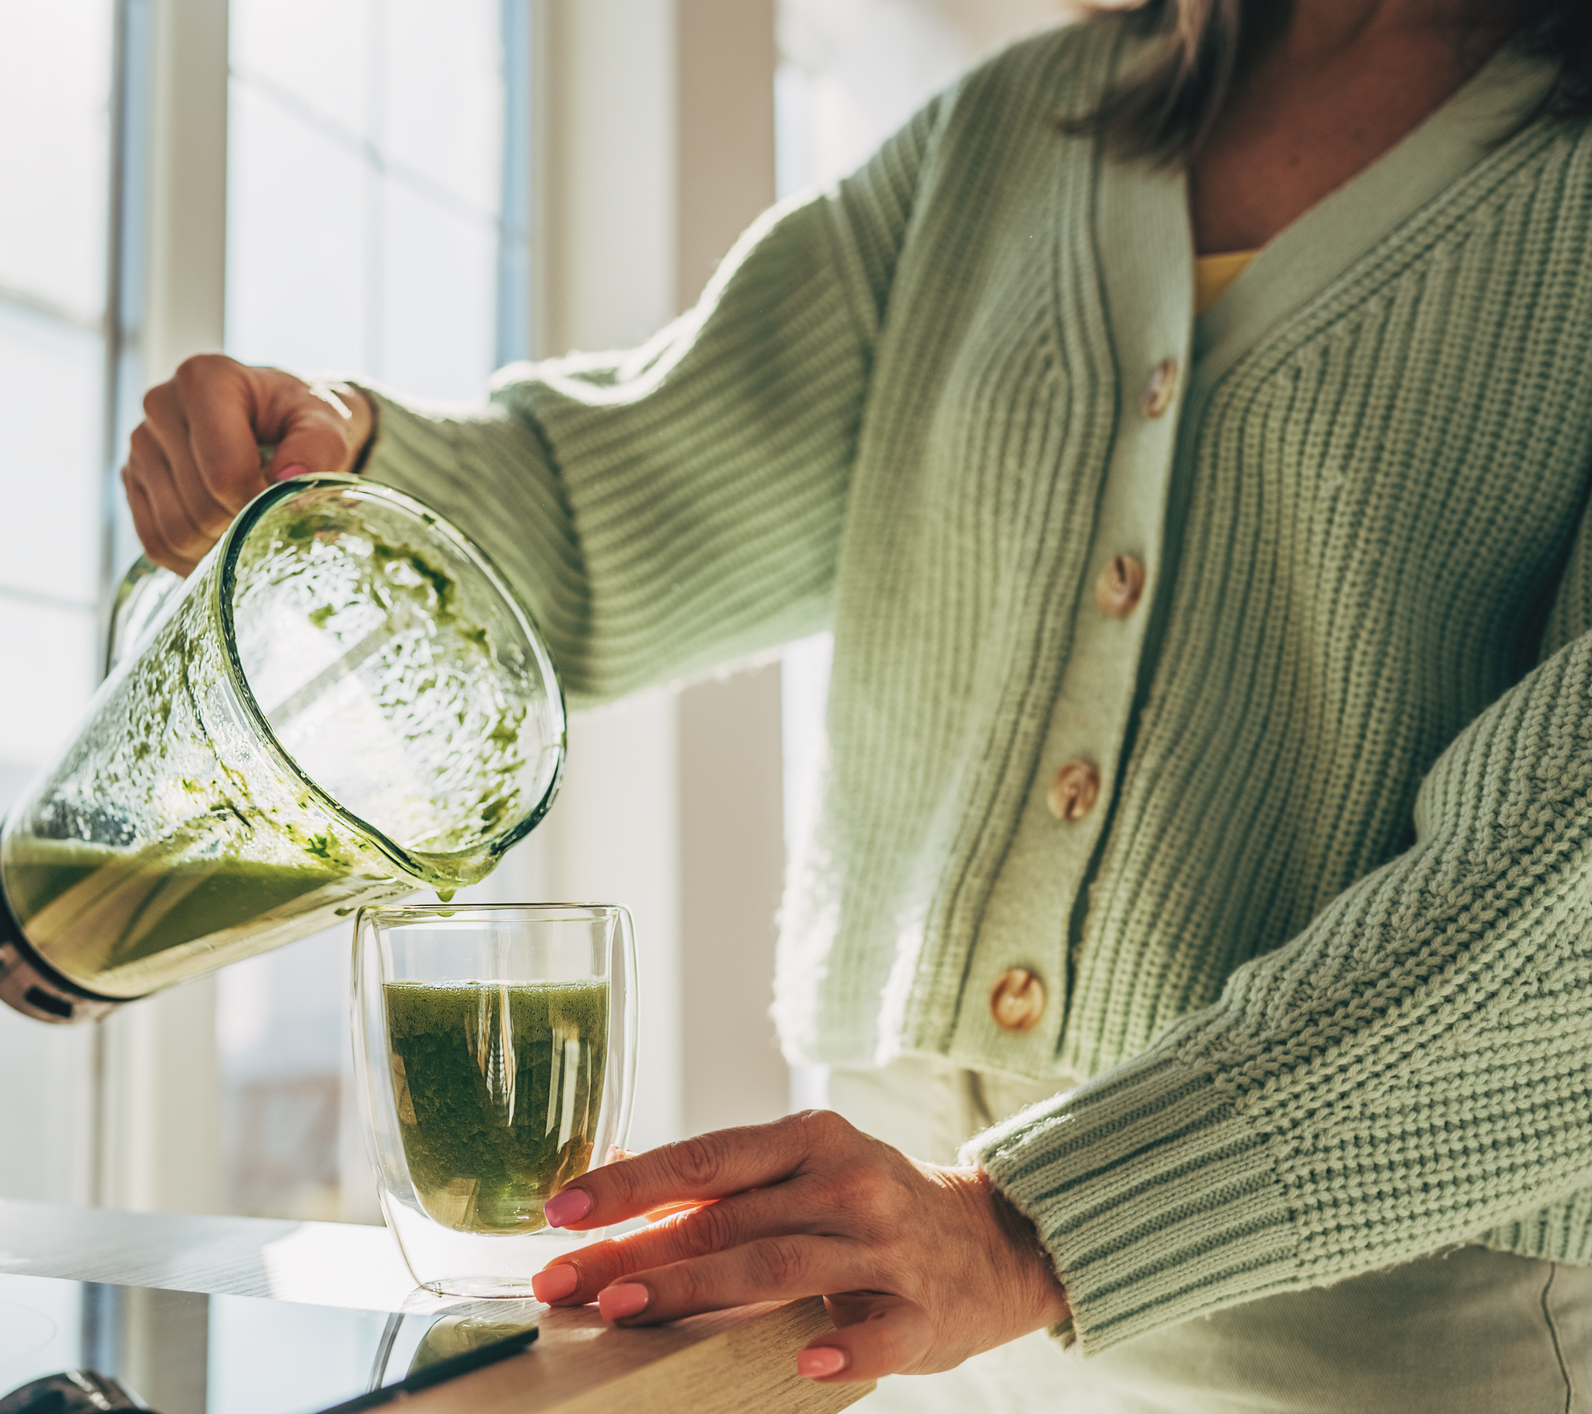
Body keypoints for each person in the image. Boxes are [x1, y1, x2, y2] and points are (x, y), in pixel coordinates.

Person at [121, 1, 1592, 1408]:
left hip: (1374, 1347)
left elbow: (1566, 879)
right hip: (876, 1314)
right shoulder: (1011, 134)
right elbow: (602, 522)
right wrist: (341, 468)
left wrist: (1029, 1226)